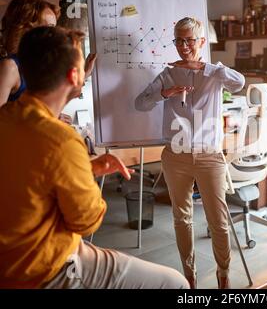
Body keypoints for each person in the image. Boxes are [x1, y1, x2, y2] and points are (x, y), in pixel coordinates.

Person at [0, 26, 189, 289]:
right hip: (46, 269)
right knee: (175, 284)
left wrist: (82, 169)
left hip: (8, 263)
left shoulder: (7, 118)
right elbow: (86, 221)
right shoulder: (61, 139)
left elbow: (28, 179)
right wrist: (82, 178)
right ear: (75, 75)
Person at [135, 17, 245, 289]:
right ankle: (189, 275)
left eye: (189, 40)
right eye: (178, 40)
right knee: (181, 218)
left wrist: (204, 67)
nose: (183, 46)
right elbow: (140, 104)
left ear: (201, 42)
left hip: (209, 156)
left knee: (217, 221)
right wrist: (165, 92)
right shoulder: (168, 73)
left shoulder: (215, 72)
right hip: (176, 156)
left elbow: (239, 83)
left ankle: (223, 274)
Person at [0, 0, 96, 110]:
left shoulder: (36, 63)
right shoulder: (10, 67)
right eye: (48, 28)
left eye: (54, 28)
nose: (54, 35)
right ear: (26, 28)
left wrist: (84, 74)